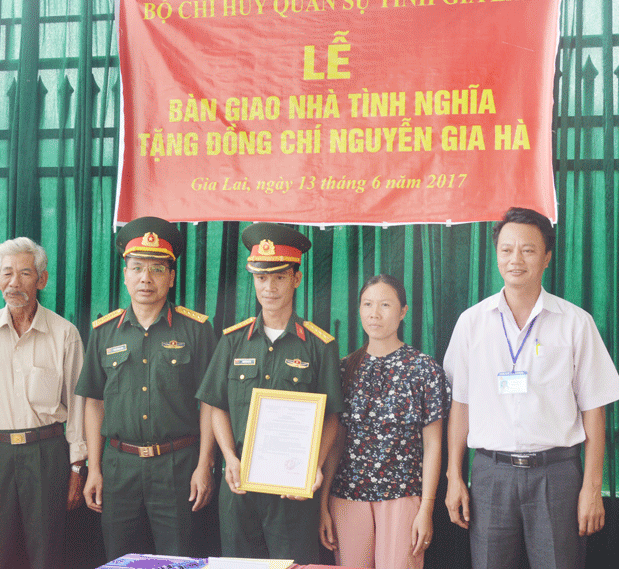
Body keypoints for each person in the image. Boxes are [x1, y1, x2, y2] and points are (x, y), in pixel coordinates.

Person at [443, 207, 619, 569]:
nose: (516, 259)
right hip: (490, 474)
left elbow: (594, 410)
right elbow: (460, 406)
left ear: (547, 258)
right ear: (496, 255)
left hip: (556, 475)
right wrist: (454, 477)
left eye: (528, 250)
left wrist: (592, 488)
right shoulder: (472, 323)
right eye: (507, 249)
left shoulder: (575, 323)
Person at [196, 222, 345, 564]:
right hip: (239, 484)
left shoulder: (320, 346)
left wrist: (314, 467)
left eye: (279, 277)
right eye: (262, 278)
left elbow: (331, 419)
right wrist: (229, 459)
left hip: (292, 488)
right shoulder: (232, 340)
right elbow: (216, 406)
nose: (270, 287)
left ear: (297, 278)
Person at [75, 216, 217, 559]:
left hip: (178, 465)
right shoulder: (104, 331)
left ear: (171, 277)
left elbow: (211, 404)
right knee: (119, 557)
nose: (145, 278)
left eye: (156, 269)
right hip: (118, 466)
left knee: (178, 559)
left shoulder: (196, 330)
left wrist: (204, 465)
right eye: (137, 267)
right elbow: (93, 402)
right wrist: (93, 468)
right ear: (125, 274)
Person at [0, 237, 87, 569]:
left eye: (25, 273)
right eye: (6, 273)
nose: (14, 282)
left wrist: (77, 468)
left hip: (46, 454)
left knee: (47, 552)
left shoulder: (64, 333)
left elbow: (78, 407)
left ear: (42, 280)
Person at [319, 274, 450, 569]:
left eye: (385, 305)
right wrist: (323, 504)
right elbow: (336, 443)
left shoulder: (424, 368)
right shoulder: (343, 369)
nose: (374, 313)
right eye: (367, 304)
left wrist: (426, 508)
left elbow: (433, 445)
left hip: (403, 496)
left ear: (403, 311)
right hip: (347, 496)